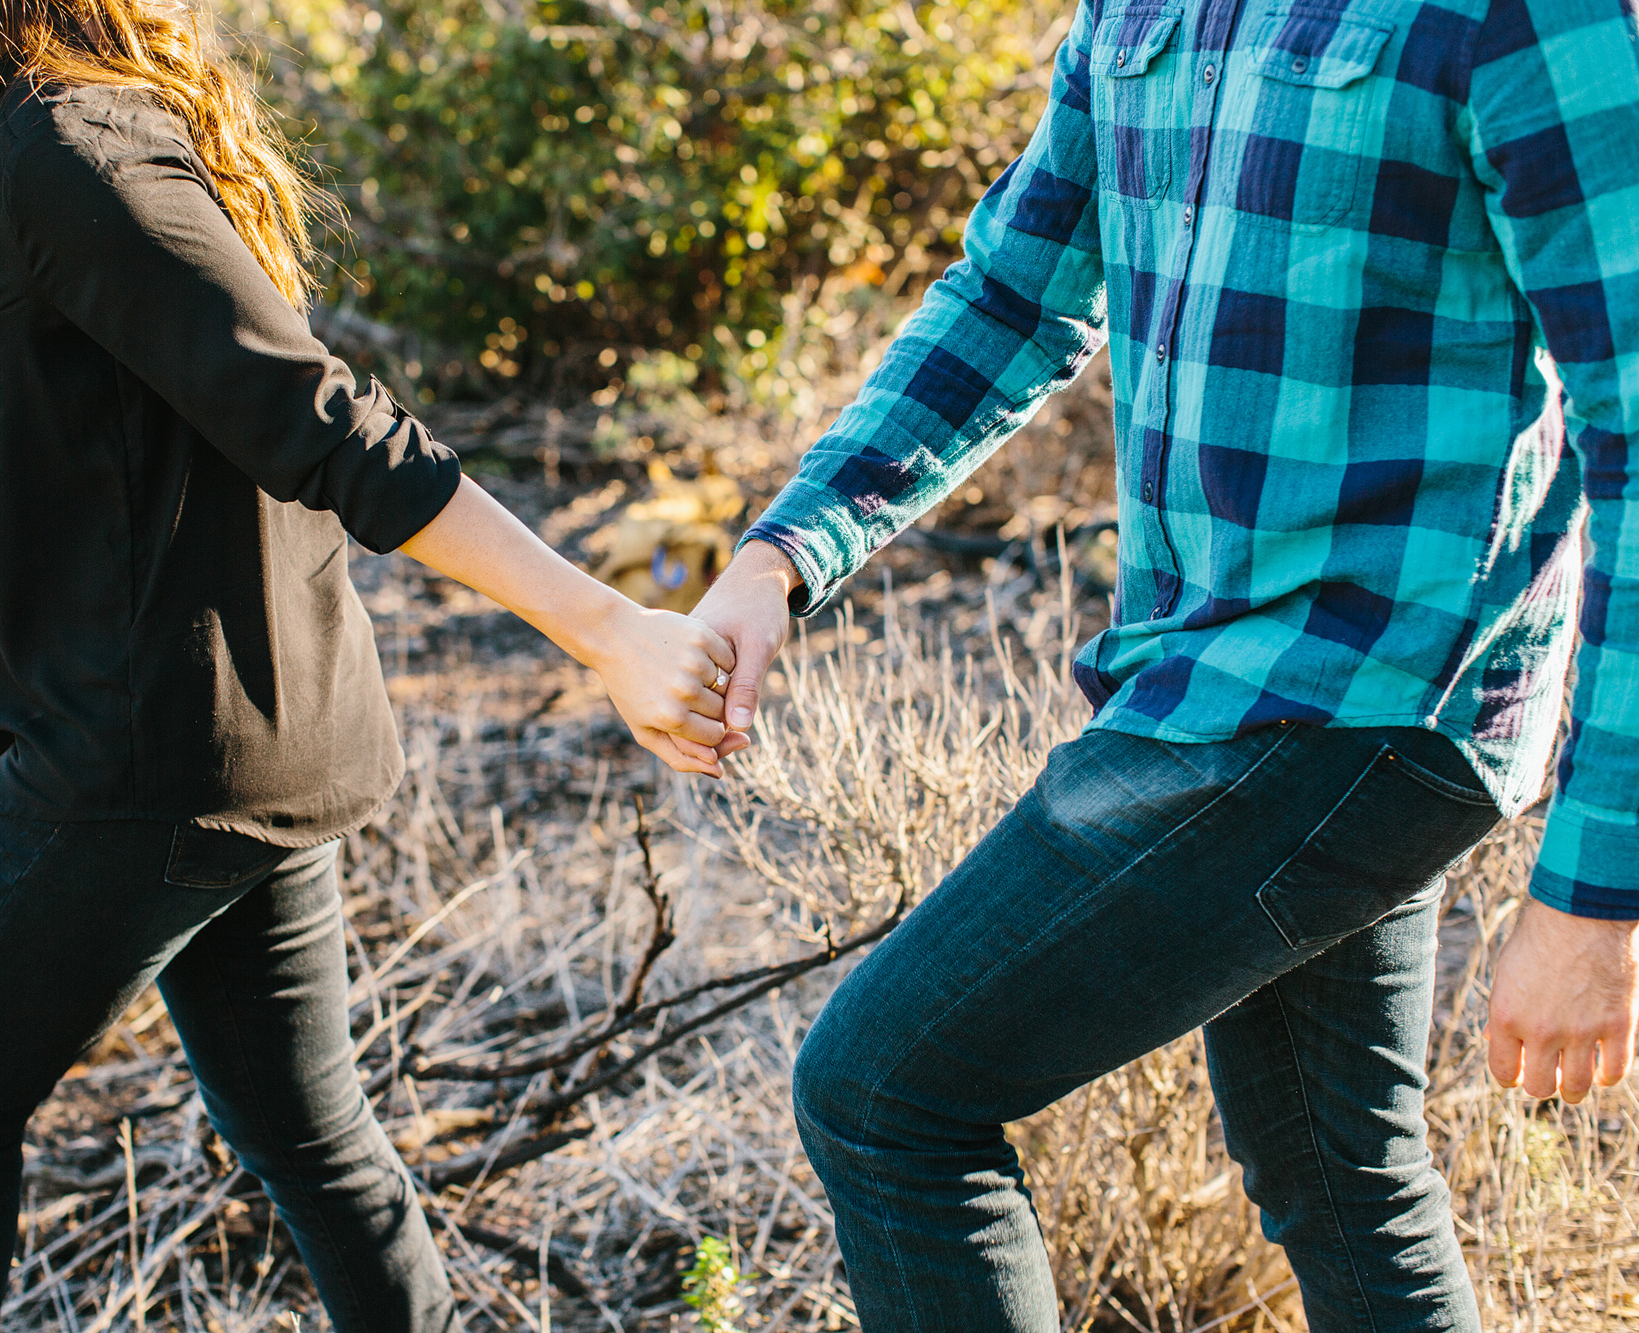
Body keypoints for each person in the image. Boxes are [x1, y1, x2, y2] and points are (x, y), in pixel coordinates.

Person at [0, 0, 737, 1328]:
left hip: (128, 764)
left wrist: (608, 628)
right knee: (314, 1139)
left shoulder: (63, 147)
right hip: (242, 733)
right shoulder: (33, 133)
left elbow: (323, 418)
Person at [692, 0, 1639, 1324]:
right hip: (1199, 681)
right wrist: (784, 552)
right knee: (1339, 1173)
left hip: (1375, 696)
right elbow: (1017, 294)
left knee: (887, 1096)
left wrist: (1597, 895)